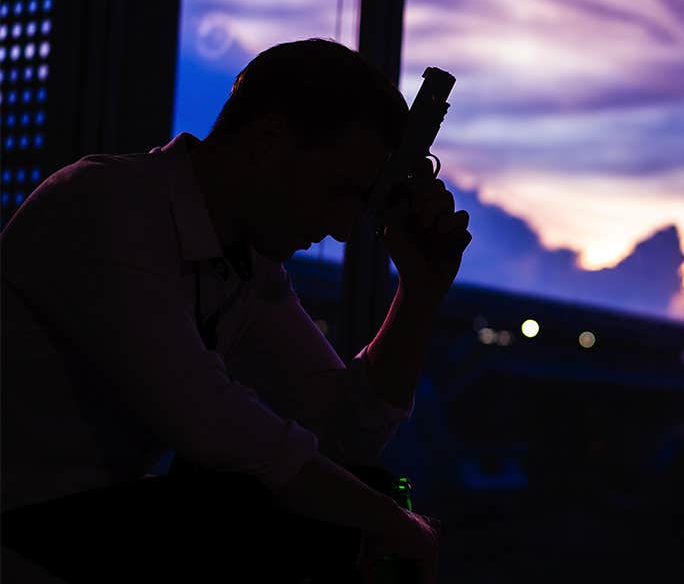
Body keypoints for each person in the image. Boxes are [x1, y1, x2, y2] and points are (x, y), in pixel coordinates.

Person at [0, 39, 469, 583]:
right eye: (338, 192)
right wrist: (392, 523)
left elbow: (344, 436)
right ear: (268, 142)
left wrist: (420, 293)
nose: (342, 229)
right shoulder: (102, 207)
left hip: (73, 530)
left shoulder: (242, 264)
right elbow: (214, 424)